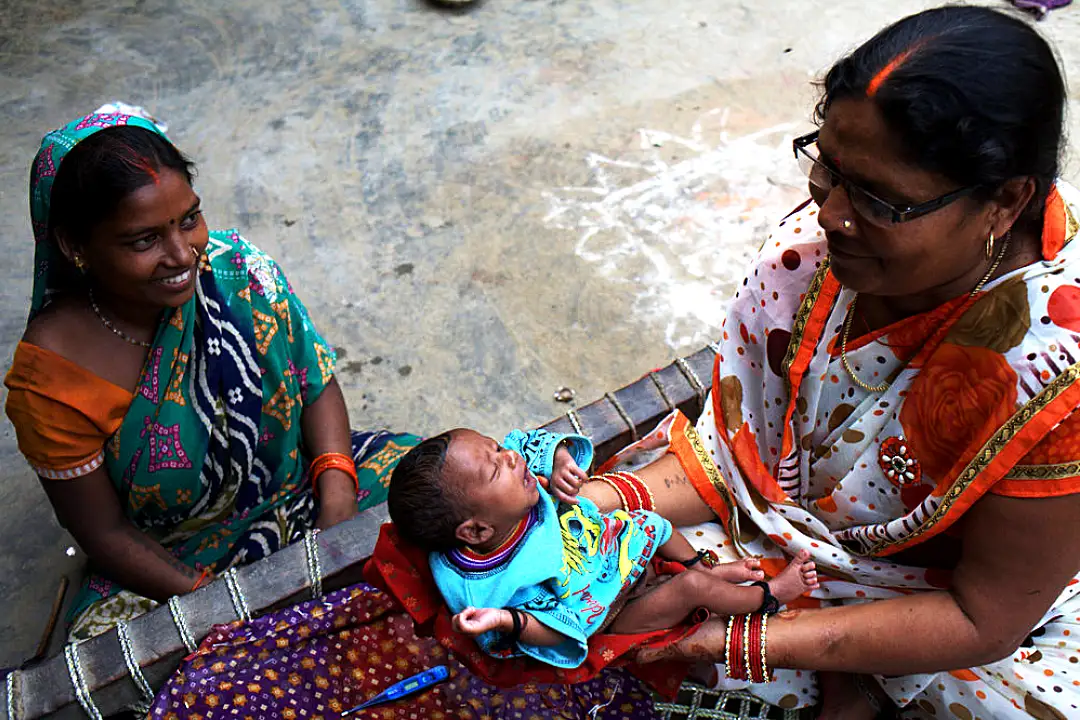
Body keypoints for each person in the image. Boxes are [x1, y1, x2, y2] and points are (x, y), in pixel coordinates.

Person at [573, 6, 1080, 718]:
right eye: (828, 167)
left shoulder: (1059, 374)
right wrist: (581, 508)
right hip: (785, 545)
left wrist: (739, 641)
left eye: (878, 199)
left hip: (962, 613)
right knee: (571, 570)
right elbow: (735, 460)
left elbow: (984, 616)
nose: (832, 213)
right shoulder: (813, 257)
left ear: (1006, 201)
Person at [3, 108, 420, 641]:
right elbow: (104, 532)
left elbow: (314, 384)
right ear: (74, 246)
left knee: (460, 503)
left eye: (188, 219)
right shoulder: (53, 381)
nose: (183, 254)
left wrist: (336, 512)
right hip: (171, 559)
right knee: (132, 672)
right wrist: (226, 602)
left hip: (303, 488)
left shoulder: (237, 271)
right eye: (142, 241)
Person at [387, 427, 818, 668]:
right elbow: (542, 629)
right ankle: (765, 596)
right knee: (689, 594)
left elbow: (527, 443)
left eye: (497, 449)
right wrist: (507, 620)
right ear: (478, 532)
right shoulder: (487, 584)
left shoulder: (507, 495)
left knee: (655, 525)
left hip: (605, 553)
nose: (512, 459)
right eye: (495, 468)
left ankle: (698, 566)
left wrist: (556, 464)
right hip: (606, 611)